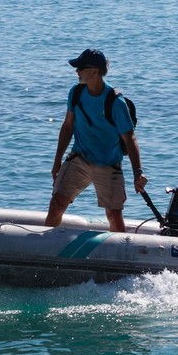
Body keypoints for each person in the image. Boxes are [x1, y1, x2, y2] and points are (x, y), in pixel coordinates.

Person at [44, 49, 147, 232]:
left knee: (113, 214)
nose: (77, 71)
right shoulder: (76, 93)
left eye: (81, 68)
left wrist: (137, 173)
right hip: (79, 158)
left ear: (94, 71)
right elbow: (67, 127)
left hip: (108, 164)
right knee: (57, 203)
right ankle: (47, 246)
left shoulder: (115, 102)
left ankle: (120, 248)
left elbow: (130, 138)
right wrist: (57, 160)